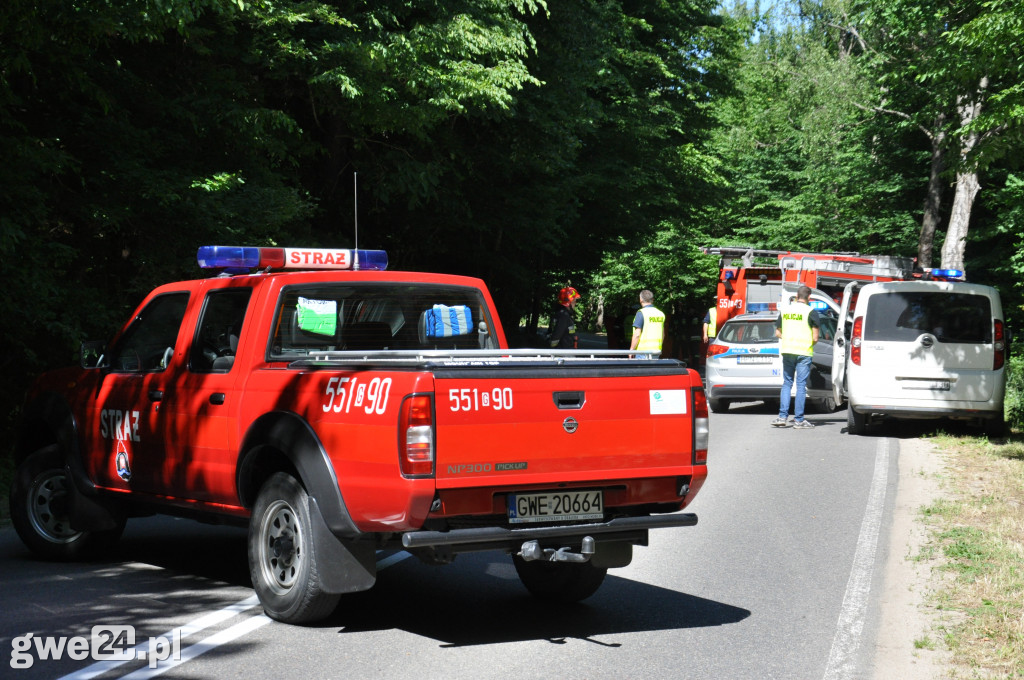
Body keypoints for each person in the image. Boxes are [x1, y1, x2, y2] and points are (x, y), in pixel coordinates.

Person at [771, 285, 820, 429]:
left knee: (787, 383)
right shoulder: (811, 311)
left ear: (797, 296)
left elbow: (778, 333)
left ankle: (782, 417)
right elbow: (815, 338)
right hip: (804, 352)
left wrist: (790, 338)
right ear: (809, 297)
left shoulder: (785, 310)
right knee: (800, 386)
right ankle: (798, 420)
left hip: (787, 351)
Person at [630, 290, 665, 358]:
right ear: (652, 300)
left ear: (640, 300)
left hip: (642, 352)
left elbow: (637, 334)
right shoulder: (660, 314)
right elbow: (663, 334)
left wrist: (632, 350)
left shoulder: (641, 313)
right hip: (656, 351)